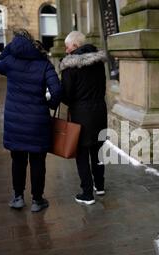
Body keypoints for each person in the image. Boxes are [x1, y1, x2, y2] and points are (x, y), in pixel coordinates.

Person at [0, 29, 61, 212]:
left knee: (18, 160)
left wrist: (9, 48)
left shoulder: (10, 62)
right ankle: (37, 200)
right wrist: (51, 105)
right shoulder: (44, 64)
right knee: (38, 161)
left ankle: (18, 197)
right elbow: (57, 91)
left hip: (15, 121)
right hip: (38, 121)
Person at [60, 31, 107, 205]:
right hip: (100, 112)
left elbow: (66, 95)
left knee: (81, 154)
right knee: (97, 151)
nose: (66, 51)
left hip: (81, 115)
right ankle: (100, 186)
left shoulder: (70, 66)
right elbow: (102, 88)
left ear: (76, 46)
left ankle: (87, 194)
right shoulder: (99, 63)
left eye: (68, 46)